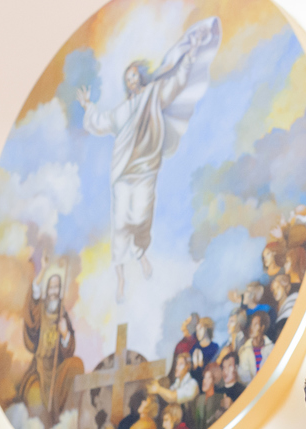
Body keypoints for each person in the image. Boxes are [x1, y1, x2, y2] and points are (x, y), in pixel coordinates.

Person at [77, 18, 221, 300]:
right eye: (127, 78)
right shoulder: (122, 110)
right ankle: (119, 276)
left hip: (145, 170)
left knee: (141, 215)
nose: (131, 80)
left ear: (142, 76)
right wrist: (88, 106)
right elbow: (101, 122)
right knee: (120, 223)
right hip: (122, 171)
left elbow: (178, 82)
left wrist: (191, 54)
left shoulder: (154, 95)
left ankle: (140, 252)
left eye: (134, 75)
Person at [15, 267, 84, 423]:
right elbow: (33, 300)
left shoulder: (62, 314)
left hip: (57, 369)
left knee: (76, 364)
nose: (54, 291)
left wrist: (65, 333)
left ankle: (65, 420)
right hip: (39, 370)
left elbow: (69, 349)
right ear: (47, 289)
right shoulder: (40, 309)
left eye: (57, 287)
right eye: (51, 287)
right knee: (35, 398)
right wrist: (43, 270)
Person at [237, 310, 273, 384]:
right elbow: (244, 378)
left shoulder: (272, 349)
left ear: (262, 327)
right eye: (251, 324)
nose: (251, 328)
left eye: (256, 324)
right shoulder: (244, 351)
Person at [192, 362, 224, 429]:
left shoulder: (220, 399)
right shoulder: (198, 400)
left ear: (214, 380)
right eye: (204, 377)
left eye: (208, 378)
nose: (204, 381)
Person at [267, 274, 297, 342]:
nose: (275, 292)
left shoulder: (293, 302)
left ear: (285, 287)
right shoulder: (272, 311)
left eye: (278, 287)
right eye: (273, 290)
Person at [190, 317, 219, 382]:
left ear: (207, 329)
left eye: (200, 329)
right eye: (196, 330)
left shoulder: (215, 348)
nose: (197, 333)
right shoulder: (194, 349)